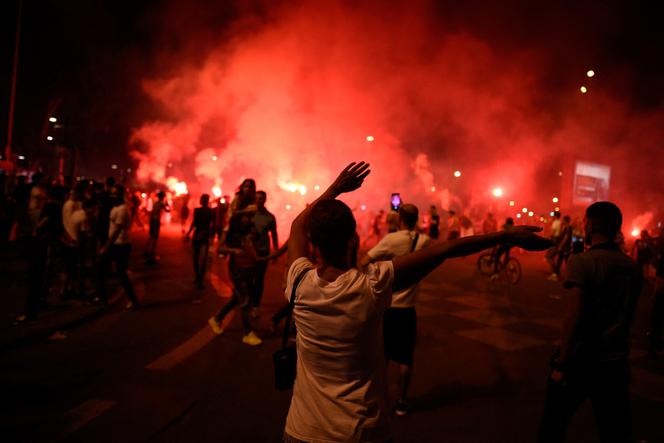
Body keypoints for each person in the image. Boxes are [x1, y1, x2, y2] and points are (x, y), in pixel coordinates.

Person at [283, 161, 550, 443]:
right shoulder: (373, 283)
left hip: (301, 430)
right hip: (358, 431)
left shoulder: (298, 281)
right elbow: (449, 249)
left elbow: (298, 224)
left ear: (314, 242)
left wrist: (335, 189)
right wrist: (507, 236)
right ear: (353, 240)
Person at [537, 201, 641, 443]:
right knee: (615, 431)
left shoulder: (582, 262)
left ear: (591, 225)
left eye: (585, 222)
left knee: (553, 426)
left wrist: (561, 364)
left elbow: (574, 314)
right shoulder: (632, 267)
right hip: (616, 362)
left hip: (582, 359)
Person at [359, 203, 430, 416]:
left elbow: (364, 261)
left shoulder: (391, 240)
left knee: (382, 357)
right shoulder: (424, 241)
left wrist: (378, 275)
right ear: (416, 219)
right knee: (406, 358)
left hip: (388, 308)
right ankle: (401, 402)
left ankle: (378, 399)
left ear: (399, 219)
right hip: (408, 309)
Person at [208, 210, 264, 346]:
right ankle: (247, 333)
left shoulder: (248, 229)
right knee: (245, 300)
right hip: (237, 269)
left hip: (248, 268)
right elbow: (220, 248)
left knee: (236, 299)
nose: (248, 219)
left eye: (250, 216)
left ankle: (216, 319)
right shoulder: (231, 229)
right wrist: (234, 251)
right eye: (246, 216)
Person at [95, 185, 140, 309]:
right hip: (115, 245)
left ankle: (133, 300)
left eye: (116, 194)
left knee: (121, 274)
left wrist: (106, 247)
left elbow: (117, 231)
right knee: (101, 269)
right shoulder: (115, 207)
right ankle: (103, 300)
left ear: (121, 195)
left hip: (121, 246)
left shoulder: (123, 210)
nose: (113, 196)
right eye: (112, 194)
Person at [251, 190, 278, 314]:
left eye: (261, 198)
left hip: (263, 251)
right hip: (249, 251)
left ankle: (256, 305)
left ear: (265, 200)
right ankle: (249, 302)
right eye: (257, 198)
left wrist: (276, 251)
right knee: (249, 278)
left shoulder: (270, 217)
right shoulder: (248, 213)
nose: (259, 200)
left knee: (259, 279)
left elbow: (273, 234)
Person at [185, 194, 215, 290]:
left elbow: (194, 223)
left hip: (198, 235)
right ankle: (200, 279)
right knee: (202, 259)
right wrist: (211, 236)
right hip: (204, 235)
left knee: (196, 258)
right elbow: (212, 225)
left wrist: (188, 234)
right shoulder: (211, 211)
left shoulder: (197, 211)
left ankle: (198, 277)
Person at [144, 190, 170, 262]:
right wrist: (167, 205)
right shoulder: (162, 203)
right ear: (163, 197)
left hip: (152, 220)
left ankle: (146, 250)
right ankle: (152, 252)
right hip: (156, 220)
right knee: (155, 236)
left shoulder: (156, 203)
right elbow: (168, 210)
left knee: (151, 235)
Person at [547, 216, 573, 281]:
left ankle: (556, 275)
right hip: (565, 247)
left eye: (563, 220)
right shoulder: (566, 227)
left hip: (565, 247)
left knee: (564, 261)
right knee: (561, 261)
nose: (562, 221)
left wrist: (561, 245)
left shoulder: (568, 228)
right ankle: (556, 274)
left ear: (566, 221)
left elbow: (566, 237)